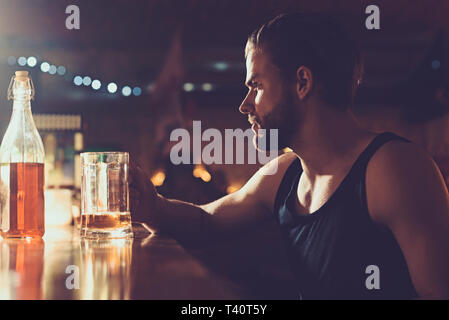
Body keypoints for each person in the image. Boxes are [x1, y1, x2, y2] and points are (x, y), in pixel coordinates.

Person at [129, 13, 449, 299]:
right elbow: (206, 222)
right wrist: (152, 206)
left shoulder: (394, 169)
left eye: (256, 86)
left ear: (302, 82)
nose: (245, 104)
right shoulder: (285, 173)